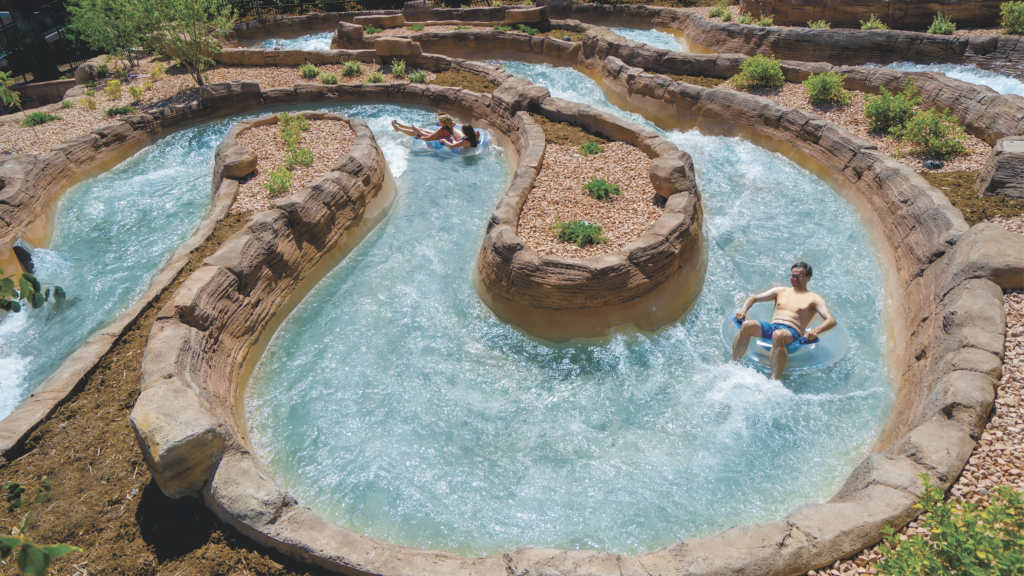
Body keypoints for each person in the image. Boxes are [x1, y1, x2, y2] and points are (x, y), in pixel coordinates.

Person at [731, 262, 836, 379]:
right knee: (747, 325)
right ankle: (734, 365)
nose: (795, 279)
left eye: (799, 276)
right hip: (772, 327)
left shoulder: (814, 298)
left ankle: (775, 379)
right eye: (792, 276)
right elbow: (753, 298)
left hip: (792, 333)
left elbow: (831, 320)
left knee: (778, 334)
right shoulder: (780, 291)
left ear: (808, 277)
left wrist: (816, 330)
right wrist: (743, 311)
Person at [391, 113, 463, 142]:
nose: (438, 122)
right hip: (443, 136)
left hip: (439, 138)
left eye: (440, 121)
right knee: (421, 129)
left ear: (443, 123)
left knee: (415, 132)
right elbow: (453, 121)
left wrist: (419, 137)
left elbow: (429, 138)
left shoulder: (441, 131)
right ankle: (401, 125)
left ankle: (398, 129)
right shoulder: (450, 124)